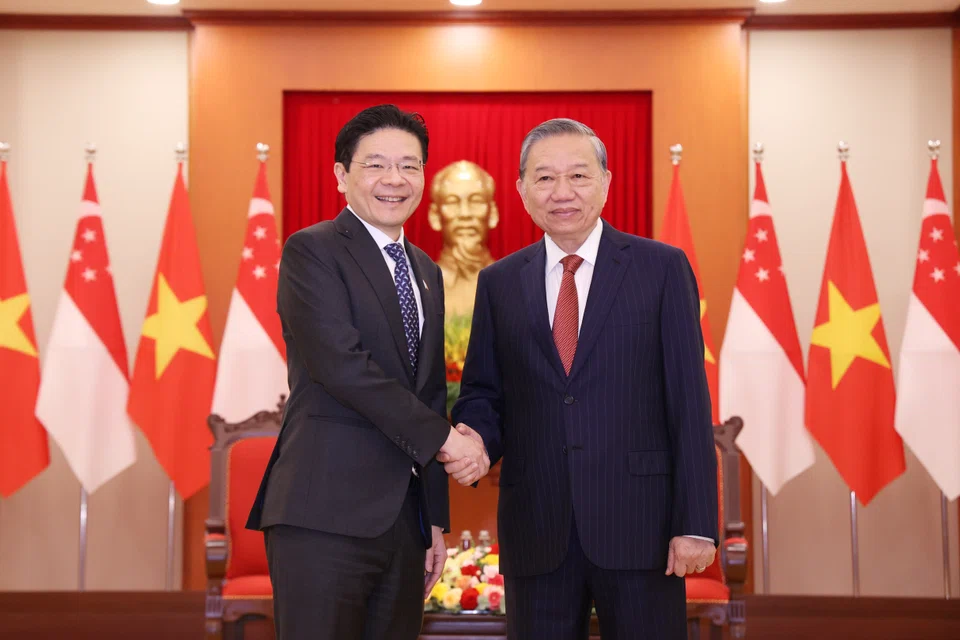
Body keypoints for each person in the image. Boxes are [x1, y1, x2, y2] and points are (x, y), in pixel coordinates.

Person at [442, 118, 719, 640]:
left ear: (607, 182)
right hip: (537, 528)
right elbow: (484, 392)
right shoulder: (499, 282)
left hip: (643, 530)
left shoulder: (661, 269)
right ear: (522, 190)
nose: (561, 192)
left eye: (578, 176)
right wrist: (475, 436)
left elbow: (688, 400)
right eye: (544, 178)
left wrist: (696, 522)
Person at [246, 104, 488, 640]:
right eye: (376, 164)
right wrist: (449, 442)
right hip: (322, 515)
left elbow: (426, 395)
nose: (395, 180)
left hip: (403, 525)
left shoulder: (425, 271)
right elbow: (343, 367)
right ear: (341, 174)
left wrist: (433, 520)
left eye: (410, 165)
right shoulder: (312, 251)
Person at [427, 160, 499, 317]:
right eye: (452, 202)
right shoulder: (421, 287)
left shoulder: (513, 285)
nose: (465, 214)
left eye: (476, 201)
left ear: (492, 213)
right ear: (435, 216)